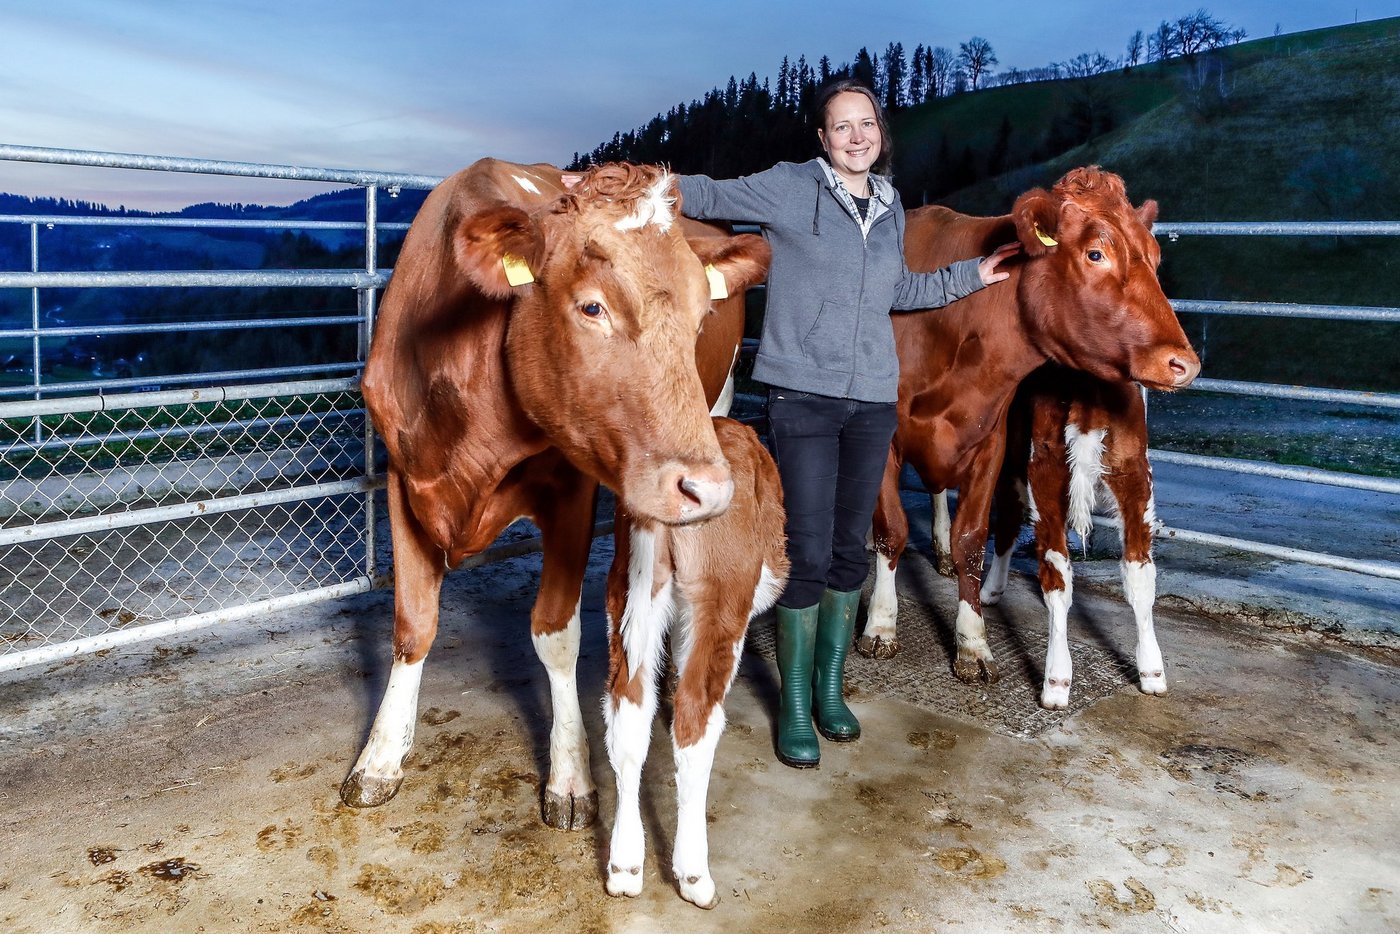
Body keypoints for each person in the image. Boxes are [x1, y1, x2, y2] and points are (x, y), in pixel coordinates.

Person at [678, 78, 1018, 768]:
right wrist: (625, 187)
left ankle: (832, 692)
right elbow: (707, 193)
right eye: (841, 127)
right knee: (804, 546)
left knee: (847, 548)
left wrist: (977, 274)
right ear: (822, 138)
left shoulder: (890, 206)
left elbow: (903, 291)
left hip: (871, 400)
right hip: (801, 395)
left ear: (879, 134)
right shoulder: (788, 187)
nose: (856, 137)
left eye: (866, 125)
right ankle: (796, 707)